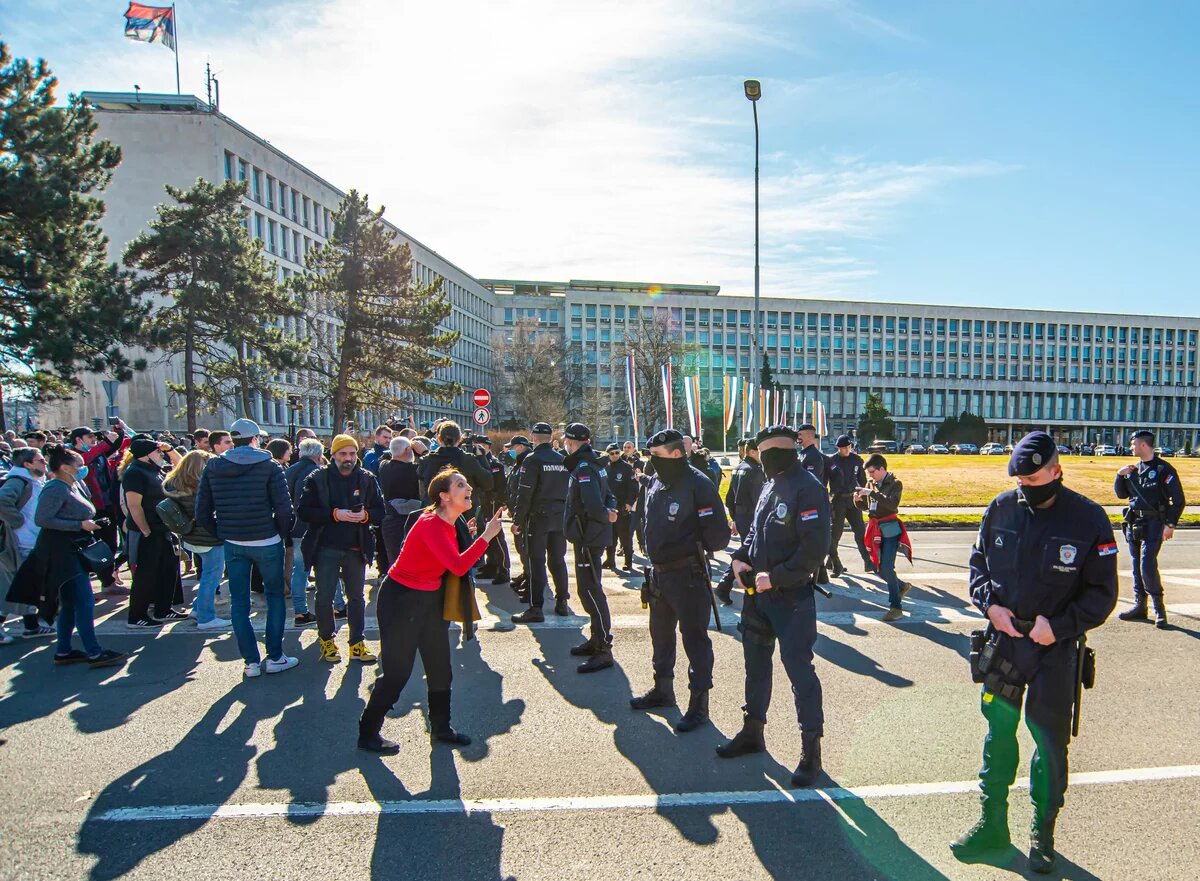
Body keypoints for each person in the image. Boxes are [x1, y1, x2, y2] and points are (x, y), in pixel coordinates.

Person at [953, 432, 1118, 874]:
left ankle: (1042, 832)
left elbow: (1104, 594)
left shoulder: (1088, 519)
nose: (1027, 485)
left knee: (1049, 746)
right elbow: (978, 566)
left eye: (1035, 477)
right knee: (998, 740)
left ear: (1057, 471)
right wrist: (990, 605)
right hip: (1005, 646)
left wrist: (1059, 627)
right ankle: (992, 826)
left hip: (1054, 651)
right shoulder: (1001, 509)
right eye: (1020, 478)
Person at [357, 469, 506, 753]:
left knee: (440, 667)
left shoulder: (450, 520)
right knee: (397, 673)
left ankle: (441, 728)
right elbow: (459, 566)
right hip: (401, 600)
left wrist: (473, 535)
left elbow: (451, 555)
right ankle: (368, 731)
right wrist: (487, 536)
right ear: (444, 496)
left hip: (429, 598)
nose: (469, 488)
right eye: (461, 484)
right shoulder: (430, 523)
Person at [717, 424, 830, 788]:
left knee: (800, 673)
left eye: (767, 454)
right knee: (755, 665)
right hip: (759, 597)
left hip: (791, 597)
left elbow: (814, 549)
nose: (763, 461)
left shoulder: (808, 488)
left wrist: (776, 577)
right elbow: (754, 532)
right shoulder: (770, 484)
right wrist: (739, 559)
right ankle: (753, 731)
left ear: (780, 453)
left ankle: (811, 753)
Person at [631, 429, 731, 730]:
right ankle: (663, 690)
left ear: (676, 454)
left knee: (695, 640)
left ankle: (699, 705)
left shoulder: (698, 483)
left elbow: (719, 536)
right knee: (661, 636)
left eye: (657, 456)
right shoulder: (658, 480)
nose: (652, 462)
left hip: (688, 575)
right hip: (660, 575)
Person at [195, 418, 297, 677]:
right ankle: (275, 656)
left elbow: (202, 510)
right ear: (256, 439)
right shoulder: (269, 465)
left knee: (239, 602)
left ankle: (251, 661)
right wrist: (281, 534)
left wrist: (222, 533)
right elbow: (284, 509)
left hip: (234, 541)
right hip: (266, 539)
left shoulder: (214, 466)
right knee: (274, 597)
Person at [31, 445, 126, 668]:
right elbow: (42, 519)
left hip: (73, 548)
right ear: (64, 468)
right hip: (62, 553)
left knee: (72, 604)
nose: (84, 468)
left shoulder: (71, 485)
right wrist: (79, 524)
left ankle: (63, 651)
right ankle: (94, 652)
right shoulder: (55, 487)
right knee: (84, 601)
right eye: (79, 466)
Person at [297, 434, 384, 664]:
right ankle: (327, 640)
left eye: (352, 454)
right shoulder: (318, 478)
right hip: (326, 546)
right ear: (333, 455)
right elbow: (304, 511)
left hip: (356, 547)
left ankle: (357, 643)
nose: (348, 458)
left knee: (356, 598)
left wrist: (365, 516)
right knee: (324, 596)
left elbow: (380, 511)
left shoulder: (366, 478)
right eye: (343, 454)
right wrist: (334, 514)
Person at [560, 423, 618, 672]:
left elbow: (594, 504)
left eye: (566, 441)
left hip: (588, 536)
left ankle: (604, 647)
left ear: (573, 443)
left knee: (590, 590)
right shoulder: (593, 464)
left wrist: (606, 515)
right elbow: (610, 496)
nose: (565, 445)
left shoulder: (584, 467)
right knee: (588, 588)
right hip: (590, 534)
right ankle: (596, 639)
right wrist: (610, 511)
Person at [1114, 429, 1185, 628]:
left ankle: (1159, 609)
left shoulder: (1164, 470)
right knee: (1136, 565)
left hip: (1155, 524)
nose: (1131, 447)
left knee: (1147, 565)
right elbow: (1121, 495)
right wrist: (1120, 476)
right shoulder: (1134, 470)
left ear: (1143, 445)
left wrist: (1170, 524)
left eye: (1133, 444)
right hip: (1135, 524)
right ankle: (1140, 606)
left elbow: (1178, 501)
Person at [163, 450, 230, 630]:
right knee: (211, 576)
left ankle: (197, 609)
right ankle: (206, 617)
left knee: (208, 575)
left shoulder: (173, 484)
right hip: (209, 536)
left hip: (189, 535)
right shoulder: (202, 486)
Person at [512, 422, 571, 620]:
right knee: (558, 560)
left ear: (534, 437)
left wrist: (517, 519)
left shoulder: (532, 460)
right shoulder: (562, 459)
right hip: (559, 515)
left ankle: (536, 607)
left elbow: (525, 492)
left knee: (536, 561)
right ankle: (562, 601)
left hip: (538, 517)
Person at [124, 437, 184, 628]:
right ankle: (137, 616)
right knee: (146, 575)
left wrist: (169, 450)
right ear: (145, 454)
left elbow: (180, 465)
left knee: (168, 570)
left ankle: (163, 608)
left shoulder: (154, 470)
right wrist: (145, 530)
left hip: (163, 528)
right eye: (157, 451)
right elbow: (134, 505)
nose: (161, 454)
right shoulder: (135, 472)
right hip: (148, 531)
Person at [69, 421, 128, 594]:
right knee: (90, 548)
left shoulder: (99, 453)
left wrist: (119, 431)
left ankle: (108, 581)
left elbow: (114, 446)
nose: (94, 439)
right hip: (89, 509)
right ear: (78, 440)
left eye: (95, 436)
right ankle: (90, 586)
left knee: (110, 543)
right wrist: (104, 443)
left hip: (107, 504)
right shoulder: (73, 456)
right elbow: (87, 459)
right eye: (90, 437)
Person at [0, 447, 52, 639]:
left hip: (31, 541)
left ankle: (32, 626)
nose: (44, 462)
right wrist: (17, 521)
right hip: (20, 542)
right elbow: (2, 501)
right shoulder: (18, 481)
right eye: (40, 460)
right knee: (13, 589)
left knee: (28, 588)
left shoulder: (33, 480)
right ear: (27, 464)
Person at [857, 454, 911, 621]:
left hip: (889, 530)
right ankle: (900, 586)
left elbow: (891, 505)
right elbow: (868, 506)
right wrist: (858, 500)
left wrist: (872, 493)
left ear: (882, 469)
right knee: (874, 566)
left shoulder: (895, 484)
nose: (870, 476)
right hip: (875, 529)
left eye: (872, 472)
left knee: (886, 567)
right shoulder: (871, 484)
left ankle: (896, 607)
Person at [716, 436, 764, 604]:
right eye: (760, 450)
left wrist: (735, 518)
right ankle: (726, 585)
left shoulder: (738, 468)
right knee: (748, 553)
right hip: (752, 517)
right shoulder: (756, 470)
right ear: (752, 451)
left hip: (741, 516)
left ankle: (724, 585)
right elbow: (760, 500)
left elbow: (729, 497)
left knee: (746, 551)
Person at [285, 437, 324, 626]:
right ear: (319, 455)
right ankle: (338, 606)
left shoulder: (288, 471)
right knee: (324, 567)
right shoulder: (317, 472)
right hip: (313, 526)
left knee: (299, 571)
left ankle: (300, 611)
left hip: (294, 526)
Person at [826, 435, 874, 577]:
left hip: (853, 500)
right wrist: (830, 494)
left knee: (860, 531)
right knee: (836, 533)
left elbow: (862, 479)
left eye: (848, 447)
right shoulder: (832, 461)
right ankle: (833, 562)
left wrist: (861, 493)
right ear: (838, 448)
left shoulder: (857, 460)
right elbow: (826, 478)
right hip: (838, 500)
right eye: (843, 448)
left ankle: (867, 561)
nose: (846, 450)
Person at [378, 435, 423, 567]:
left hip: (391, 519)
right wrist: (423, 452)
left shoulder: (384, 467)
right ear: (408, 450)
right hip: (413, 518)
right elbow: (429, 466)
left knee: (395, 562)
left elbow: (385, 457)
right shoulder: (415, 469)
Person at [471, 435, 511, 584]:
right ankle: (492, 564)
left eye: (480, 445)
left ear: (487, 446)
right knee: (485, 535)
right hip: (481, 503)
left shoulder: (495, 464)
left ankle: (503, 569)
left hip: (492, 502)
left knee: (497, 536)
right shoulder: (475, 462)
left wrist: (502, 502)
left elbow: (500, 485)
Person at [504, 435, 533, 597]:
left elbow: (524, 491)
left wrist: (518, 513)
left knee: (526, 549)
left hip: (524, 514)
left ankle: (530, 579)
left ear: (521, 447)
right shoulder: (519, 462)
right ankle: (526, 574)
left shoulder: (527, 462)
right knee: (521, 548)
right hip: (517, 510)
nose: (510, 450)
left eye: (513, 447)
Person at [604, 442, 636, 572]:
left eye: (617, 452)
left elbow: (633, 488)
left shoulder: (627, 468)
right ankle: (610, 560)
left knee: (625, 537)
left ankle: (628, 562)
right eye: (612, 453)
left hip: (622, 508)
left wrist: (629, 503)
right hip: (609, 508)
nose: (615, 455)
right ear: (608, 455)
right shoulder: (604, 468)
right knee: (610, 537)